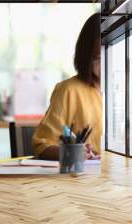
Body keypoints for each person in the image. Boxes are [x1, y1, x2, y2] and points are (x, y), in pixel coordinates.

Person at [32, 13, 102, 161]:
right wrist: (71, 152)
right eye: (98, 58)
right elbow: (42, 146)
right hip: (82, 179)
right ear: (87, 55)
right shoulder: (69, 90)